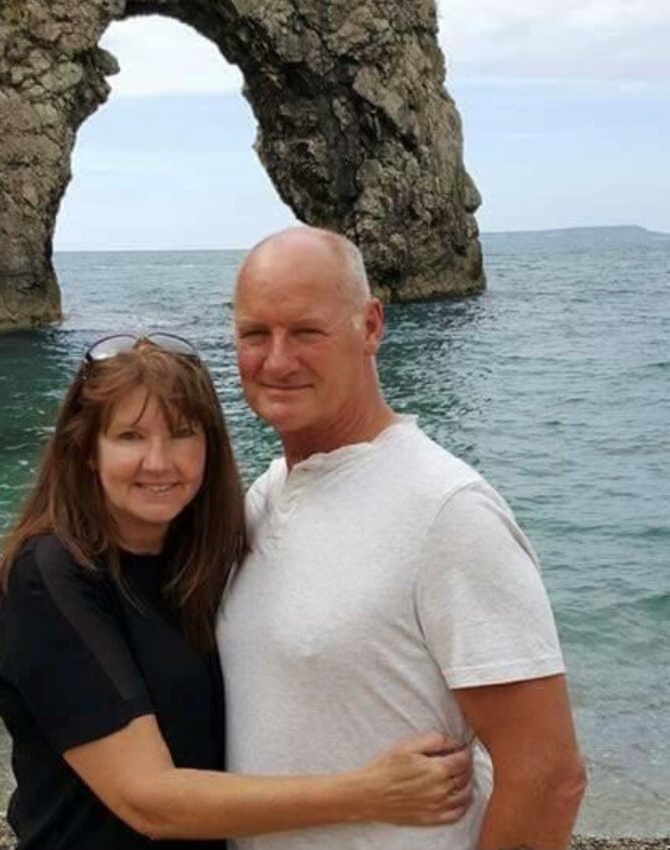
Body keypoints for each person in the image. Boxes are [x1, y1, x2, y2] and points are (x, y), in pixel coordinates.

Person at [0, 333, 473, 850]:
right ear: (85, 451)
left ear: (209, 447)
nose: (159, 461)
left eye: (181, 434)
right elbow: (149, 800)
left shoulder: (204, 557)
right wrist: (369, 793)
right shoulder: (50, 575)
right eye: (129, 437)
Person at [218, 227, 587, 850]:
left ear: (369, 326)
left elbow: (549, 776)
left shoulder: (447, 510)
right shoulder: (266, 494)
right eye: (256, 334)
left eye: (306, 331)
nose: (276, 361)